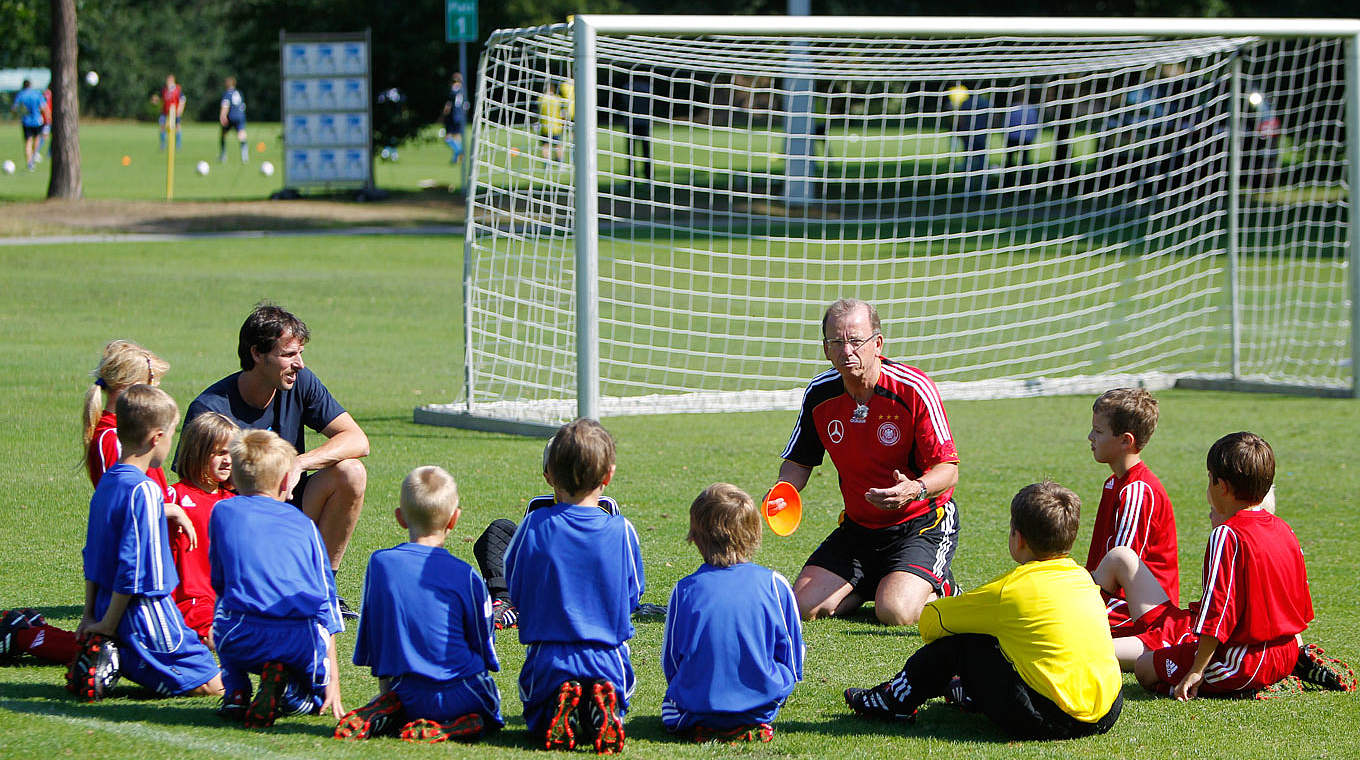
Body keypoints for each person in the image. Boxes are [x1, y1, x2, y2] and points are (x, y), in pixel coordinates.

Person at [845, 481, 1122, 739]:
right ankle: (969, 692)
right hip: (1108, 710)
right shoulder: (1083, 578)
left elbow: (931, 623)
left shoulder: (1009, 591)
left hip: (1051, 718)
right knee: (1015, 641)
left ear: (1019, 539)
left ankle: (894, 700)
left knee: (966, 643)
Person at [1092, 432, 1358, 699]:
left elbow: (1217, 613)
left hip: (1243, 662)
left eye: (1209, 478)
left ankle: (1240, 688)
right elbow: (1299, 607)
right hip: (1287, 652)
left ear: (1222, 486)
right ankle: (1283, 671)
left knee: (1144, 669)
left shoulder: (1227, 534)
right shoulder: (1284, 529)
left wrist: (1196, 669)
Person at [773, 298, 960, 626]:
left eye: (856, 341)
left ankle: (944, 587)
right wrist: (783, 491)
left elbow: (949, 470)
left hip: (921, 523)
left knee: (895, 612)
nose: (847, 351)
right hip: (859, 531)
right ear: (825, 349)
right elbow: (799, 462)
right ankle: (881, 580)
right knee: (800, 607)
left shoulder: (913, 389)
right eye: (836, 342)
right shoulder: (820, 394)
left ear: (878, 343)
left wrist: (914, 489)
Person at [183, 303, 368, 618]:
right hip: (239, 526)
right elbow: (195, 495)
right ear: (257, 354)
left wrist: (298, 463)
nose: (299, 364)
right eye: (289, 355)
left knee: (351, 471)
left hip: (288, 510)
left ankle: (321, 590)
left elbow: (357, 440)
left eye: (300, 353)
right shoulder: (210, 411)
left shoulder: (301, 383)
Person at [71, 385, 224, 702]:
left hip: (106, 605)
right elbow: (136, 569)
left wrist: (90, 614)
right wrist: (108, 626)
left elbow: (93, 555)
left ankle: (111, 658)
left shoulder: (110, 481)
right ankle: (118, 655)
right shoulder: (145, 490)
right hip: (145, 611)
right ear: (157, 438)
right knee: (216, 685)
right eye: (172, 433)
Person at [336, 465, 503, 743]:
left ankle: (388, 707)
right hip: (460, 691)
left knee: (400, 699)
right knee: (489, 708)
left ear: (400, 518)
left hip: (406, 693)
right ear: (454, 519)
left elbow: (374, 636)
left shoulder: (380, 565)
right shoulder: (465, 574)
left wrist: (387, 691)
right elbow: (483, 639)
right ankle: (451, 728)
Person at [504, 418, 641, 753]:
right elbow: (633, 594)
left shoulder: (534, 524)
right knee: (621, 696)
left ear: (549, 474)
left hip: (549, 656)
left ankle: (556, 707)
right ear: (608, 476)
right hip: (609, 657)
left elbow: (514, 581)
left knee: (535, 713)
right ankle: (604, 704)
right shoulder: (622, 530)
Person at [210, 429, 345, 727]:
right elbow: (326, 601)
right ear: (287, 481)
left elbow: (219, 580)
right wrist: (333, 682)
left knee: (222, 608)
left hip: (240, 635)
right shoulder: (304, 525)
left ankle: (235, 692)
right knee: (313, 696)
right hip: (297, 641)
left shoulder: (222, 512)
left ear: (235, 477)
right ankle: (290, 694)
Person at [661, 483, 803, 743]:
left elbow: (671, 662)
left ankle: (709, 722)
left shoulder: (684, 590)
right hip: (761, 707)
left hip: (696, 708)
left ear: (694, 537)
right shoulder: (775, 584)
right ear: (754, 534)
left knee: (671, 704)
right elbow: (792, 659)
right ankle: (748, 720)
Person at [1084, 388, 1177, 632]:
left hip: (1141, 610)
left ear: (1126, 440)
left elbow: (1121, 572)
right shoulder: (1114, 483)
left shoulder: (1136, 491)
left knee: (1062, 622)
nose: (1090, 437)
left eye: (1099, 431)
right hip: (1113, 598)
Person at [169, 412, 240, 646]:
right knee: (218, 636)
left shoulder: (234, 502)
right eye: (220, 453)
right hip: (190, 600)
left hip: (228, 600)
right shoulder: (175, 496)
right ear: (197, 453)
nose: (228, 460)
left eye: (232, 453)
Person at [11, 79, 46, 171]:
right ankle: (34, 157)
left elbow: (14, 108)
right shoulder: (37, 94)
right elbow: (43, 107)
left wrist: (17, 114)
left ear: (23, 86)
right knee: (37, 139)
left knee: (28, 141)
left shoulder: (21, 95)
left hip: (26, 121)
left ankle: (29, 163)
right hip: (37, 121)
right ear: (30, 85)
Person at [625, 75, 652, 180]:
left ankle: (631, 177)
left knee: (632, 152)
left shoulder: (627, 87)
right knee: (645, 151)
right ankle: (648, 176)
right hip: (643, 122)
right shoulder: (647, 88)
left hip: (632, 122)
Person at [151, 74, 186, 151]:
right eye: (167, 80)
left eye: (169, 80)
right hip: (165, 112)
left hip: (174, 112)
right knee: (162, 126)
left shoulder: (177, 89)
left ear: (173, 80)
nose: (168, 82)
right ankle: (163, 144)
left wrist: (180, 109)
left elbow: (183, 99)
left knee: (177, 127)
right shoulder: (164, 90)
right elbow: (159, 98)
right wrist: (155, 100)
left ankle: (178, 145)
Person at [219, 76, 249, 163]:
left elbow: (225, 105)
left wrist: (222, 116)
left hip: (231, 116)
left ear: (227, 84)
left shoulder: (227, 94)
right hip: (240, 116)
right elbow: (243, 106)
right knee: (241, 135)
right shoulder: (239, 93)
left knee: (223, 135)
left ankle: (223, 155)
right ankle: (245, 156)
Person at [441, 72, 469, 164]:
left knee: (448, 138)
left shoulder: (454, 90)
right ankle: (455, 159)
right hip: (461, 117)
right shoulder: (463, 91)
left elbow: (448, 105)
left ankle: (459, 151)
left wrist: (443, 116)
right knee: (457, 137)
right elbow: (466, 106)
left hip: (453, 116)